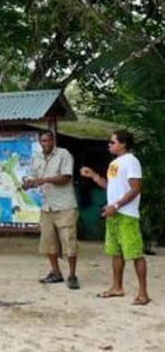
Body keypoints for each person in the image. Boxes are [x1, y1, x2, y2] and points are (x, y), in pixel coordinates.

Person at [80, 130, 150, 306]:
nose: (109, 145)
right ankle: (117, 287)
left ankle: (143, 292)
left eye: (112, 142)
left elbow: (136, 189)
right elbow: (110, 186)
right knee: (115, 252)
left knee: (135, 253)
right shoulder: (115, 163)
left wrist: (116, 205)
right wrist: (94, 176)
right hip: (113, 213)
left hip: (126, 215)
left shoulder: (132, 162)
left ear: (123, 144)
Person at [22, 131, 80, 289]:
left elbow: (66, 177)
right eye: (42, 141)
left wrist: (44, 179)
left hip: (65, 205)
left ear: (53, 140)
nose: (45, 143)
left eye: (48, 140)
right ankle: (56, 272)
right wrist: (28, 184)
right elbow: (34, 178)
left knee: (69, 241)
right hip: (46, 205)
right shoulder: (37, 157)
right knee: (48, 241)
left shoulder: (64, 154)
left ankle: (72, 275)